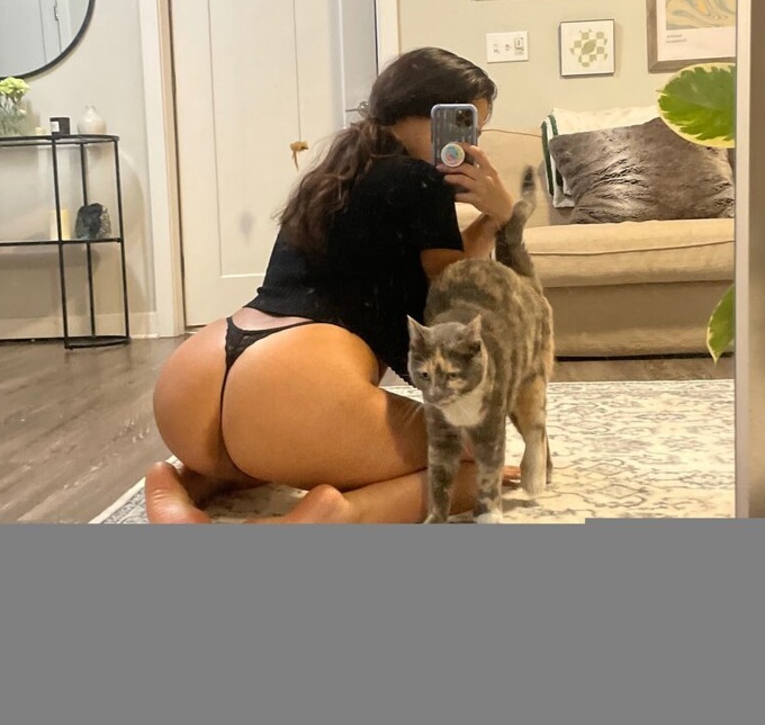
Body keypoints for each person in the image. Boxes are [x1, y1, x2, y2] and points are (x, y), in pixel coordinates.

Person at [146, 47, 517, 523]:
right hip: (290, 393)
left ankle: (179, 485)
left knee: (264, 450)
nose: (468, 142)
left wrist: (489, 219)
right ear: (427, 111)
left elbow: (433, 265)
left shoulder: (334, 172)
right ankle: (333, 514)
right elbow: (450, 295)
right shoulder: (420, 178)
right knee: (479, 460)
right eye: (465, 125)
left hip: (196, 381)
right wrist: (503, 214)